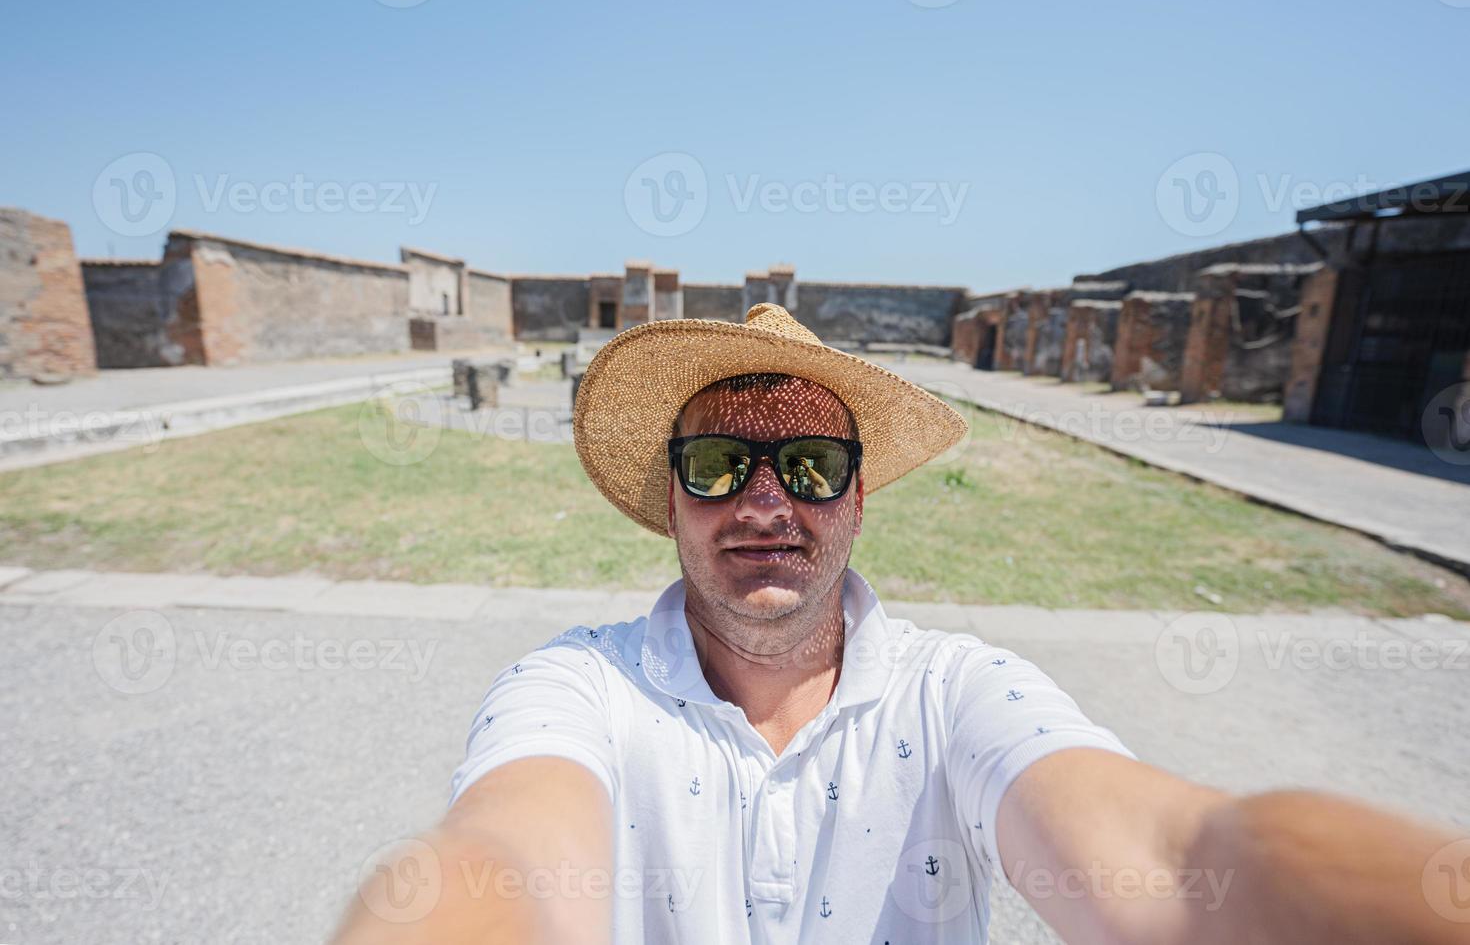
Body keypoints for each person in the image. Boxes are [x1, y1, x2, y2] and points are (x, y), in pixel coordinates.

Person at [332, 304, 1467, 944]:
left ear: (859, 497)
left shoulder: (957, 692)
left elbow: (1176, 856)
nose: (766, 500)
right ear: (670, 500)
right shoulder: (576, 688)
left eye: (811, 464)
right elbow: (501, 862)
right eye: (722, 462)